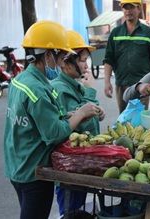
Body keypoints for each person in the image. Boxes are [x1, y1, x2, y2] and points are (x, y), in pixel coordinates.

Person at [3, 20, 101, 219]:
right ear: (47, 55)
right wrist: (80, 114)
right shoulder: (38, 90)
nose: (60, 63)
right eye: (59, 57)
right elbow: (53, 134)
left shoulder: (21, 80)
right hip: (34, 172)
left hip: (17, 165)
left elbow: (37, 121)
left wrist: (70, 116)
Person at [51, 30, 105, 216]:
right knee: (70, 211)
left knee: (79, 210)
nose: (85, 65)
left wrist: (98, 111)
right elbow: (77, 125)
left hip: (81, 163)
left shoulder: (75, 85)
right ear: (66, 62)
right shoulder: (60, 88)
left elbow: (87, 113)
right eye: (81, 60)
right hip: (70, 166)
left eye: (86, 60)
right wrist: (90, 92)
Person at [103, 0, 150, 113]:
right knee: (124, 118)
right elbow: (108, 59)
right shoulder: (115, 33)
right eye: (125, 8)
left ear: (138, 9)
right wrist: (107, 82)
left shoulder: (148, 33)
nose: (128, 11)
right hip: (121, 84)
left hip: (142, 84)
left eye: (131, 7)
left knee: (140, 118)